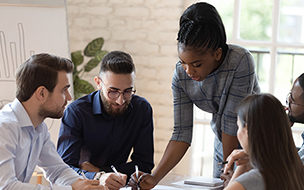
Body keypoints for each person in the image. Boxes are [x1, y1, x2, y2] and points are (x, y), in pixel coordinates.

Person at [128, 2, 260, 189]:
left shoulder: (240, 60)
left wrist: (228, 170)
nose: (189, 70)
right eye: (183, 62)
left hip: (255, 145)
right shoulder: (180, 75)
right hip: (224, 147)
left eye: (197, 64)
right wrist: (154, 178)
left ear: (217, 53)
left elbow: (231, 124)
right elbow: (181, 133)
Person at [0, 53, 104, 189]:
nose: (69, 97)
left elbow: (57, 170)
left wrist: (86, 184)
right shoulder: (5, 127)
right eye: (64, 90)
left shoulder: (39, 127)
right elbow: (6, 187)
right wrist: (72, 189)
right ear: (42, 93)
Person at [57, 51, 154, 186]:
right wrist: (98, 177)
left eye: (127, 91)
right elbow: (63, 169)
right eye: (113, 91)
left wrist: (100, 172)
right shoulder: (77, 112)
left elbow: (144, 164)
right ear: (98, 83)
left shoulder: (142, 109)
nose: (120, 101)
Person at [223, 93, 304, 190]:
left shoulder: (252, 180)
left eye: (238, 126)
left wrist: (240, 170)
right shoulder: (297, 173)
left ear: (248, 130)